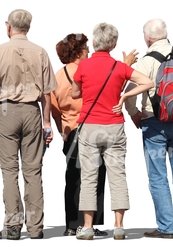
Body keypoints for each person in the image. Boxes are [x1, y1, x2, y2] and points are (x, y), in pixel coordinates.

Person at [72, 22, 153, 240]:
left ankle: (88, 227)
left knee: (88, 177)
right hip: (114, 126)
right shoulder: (120, 67)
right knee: (118, 175)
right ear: (114, 44)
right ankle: (119, 226)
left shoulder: (84, 66)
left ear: (95, 42)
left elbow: (74, 93)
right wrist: (124, 96)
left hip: (89, 127)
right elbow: (148, 82)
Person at [0, 9, 57, 240]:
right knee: (33, 171)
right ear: (29, 27)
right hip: (32, 110)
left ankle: (13, 225)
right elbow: (47, 93)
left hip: (7, 109)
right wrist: (47, 122)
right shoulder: (41, 52)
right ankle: (35, 228)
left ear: (8, 27)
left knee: (9, 170)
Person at [124, 18, 173, 239]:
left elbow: (130, 90)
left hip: (154, 124)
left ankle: (167, 228)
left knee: (158, 176)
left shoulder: (146, 62)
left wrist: (134, 113)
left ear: (147, 38)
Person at [50, 33, 108, 237]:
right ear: (78, 51)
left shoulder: (57, 76)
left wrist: (61, 131)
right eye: (86, 48)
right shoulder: (88, 70)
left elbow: (54, 109)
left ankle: (71, 225)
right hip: (92, 128)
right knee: (96, 177)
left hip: (70, 131)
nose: (90, 51)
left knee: (73, 178)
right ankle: (90, 223)